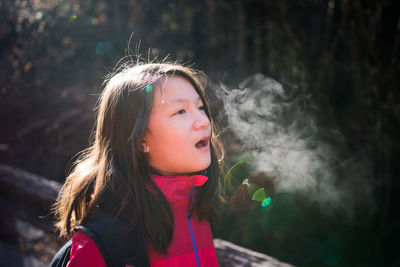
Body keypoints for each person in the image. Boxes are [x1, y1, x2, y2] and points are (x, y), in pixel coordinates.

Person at [52, 62, 225, 267]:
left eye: (200, 107)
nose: (203, 121)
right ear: (141, 139)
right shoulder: (102, 244)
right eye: (180, 111)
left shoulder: (194, 208)